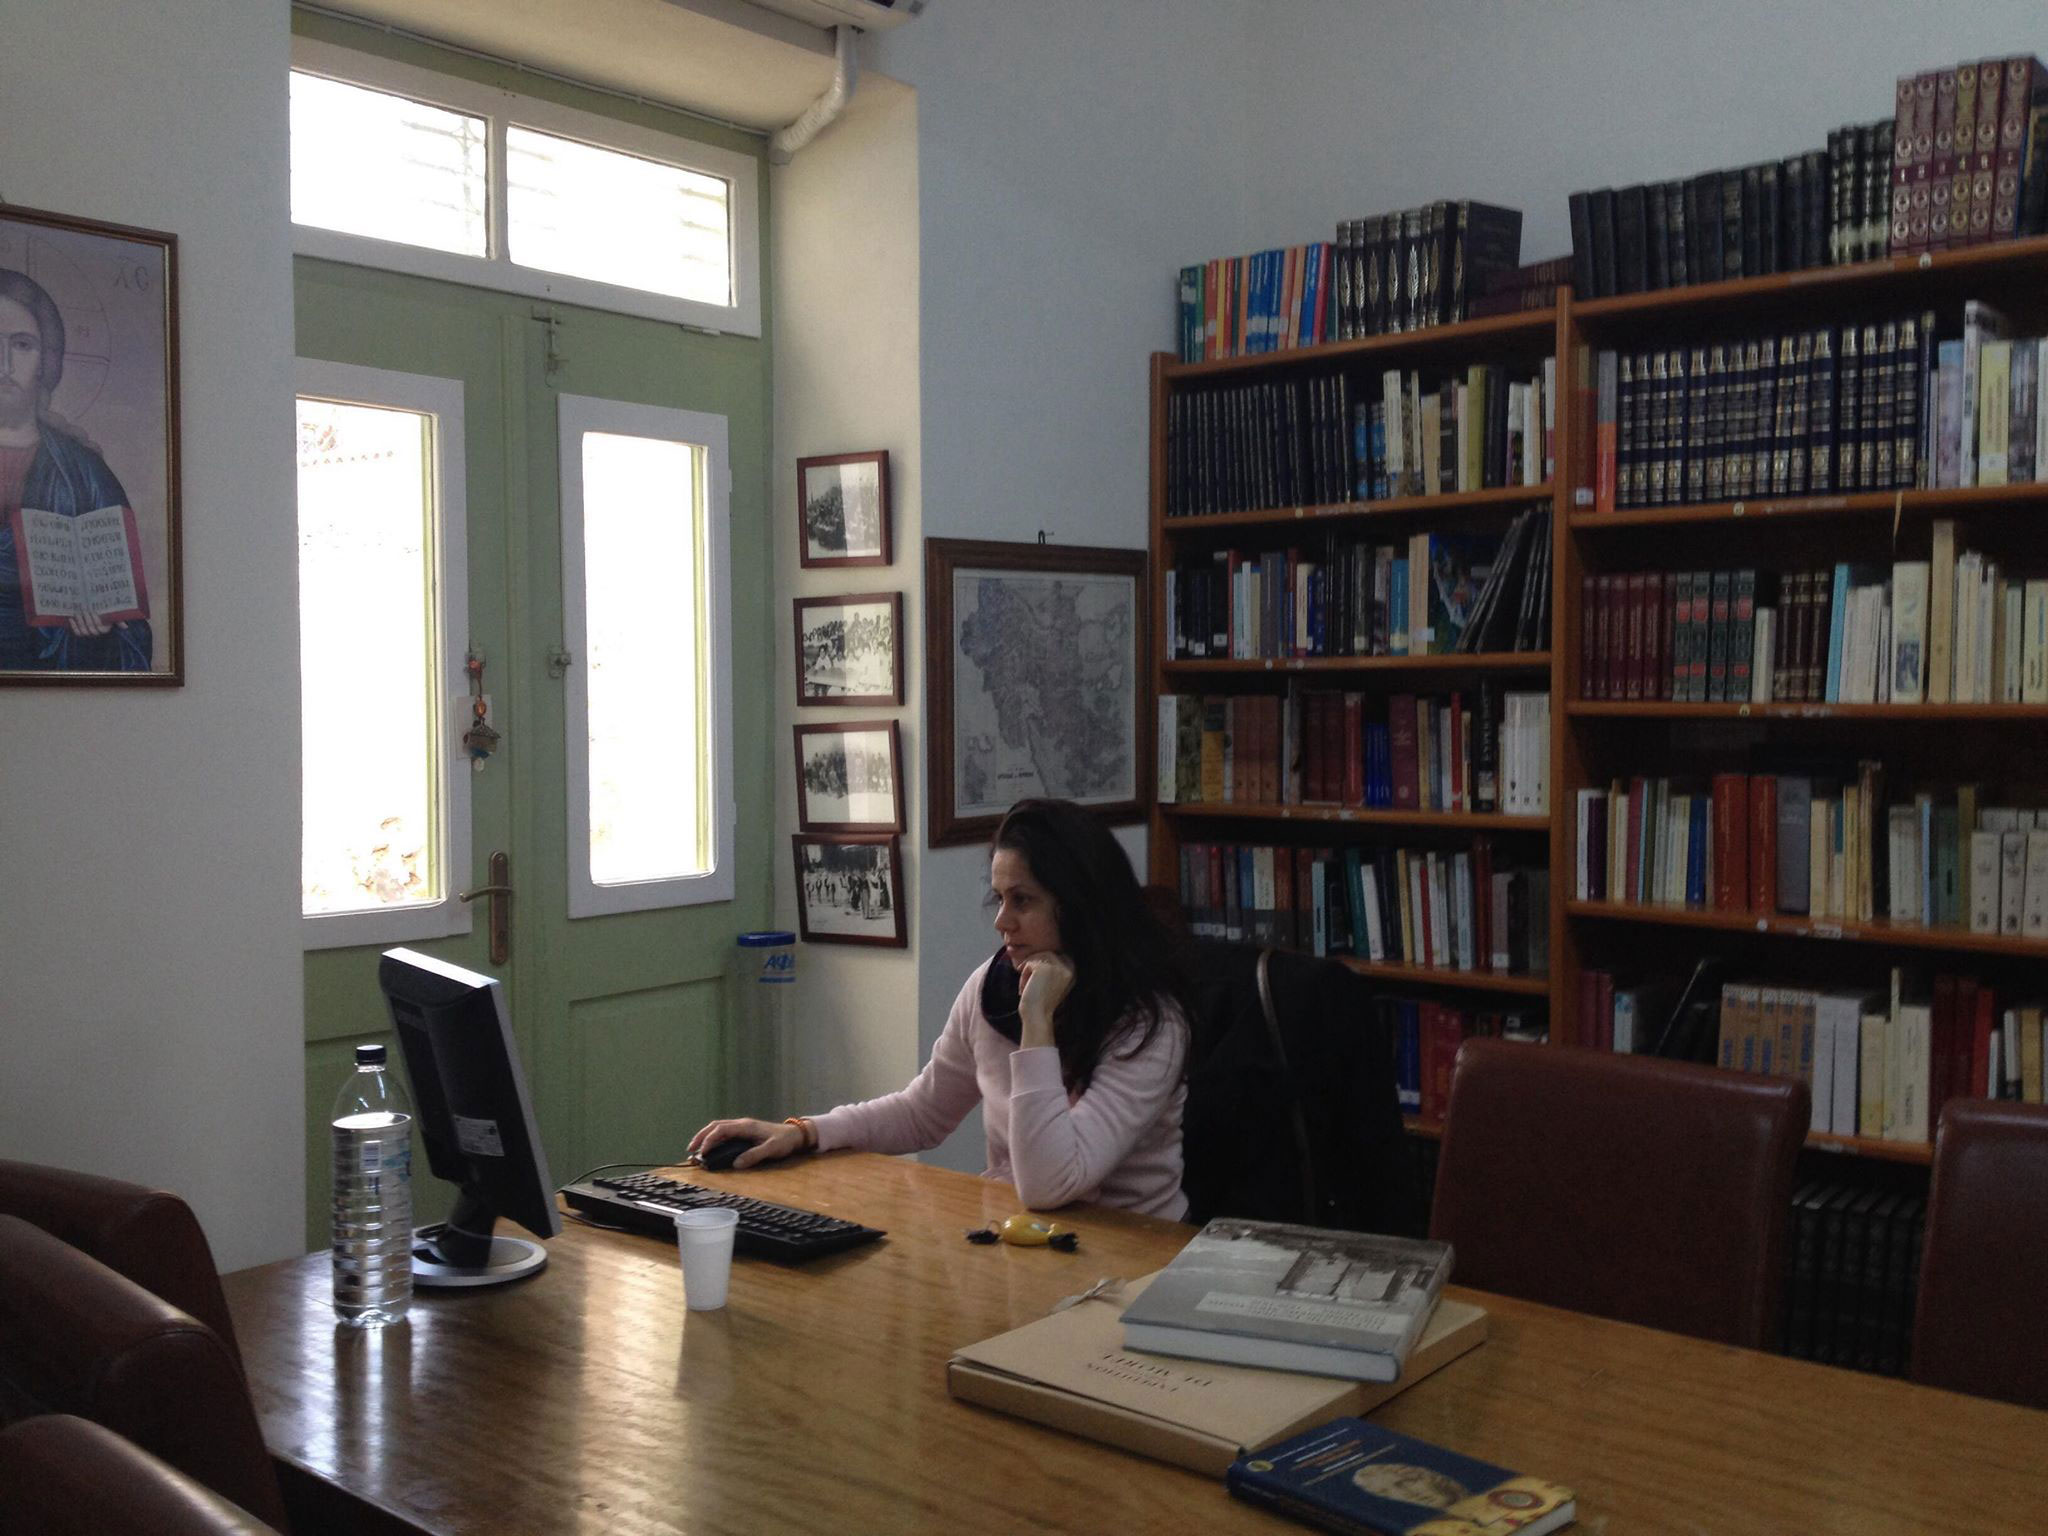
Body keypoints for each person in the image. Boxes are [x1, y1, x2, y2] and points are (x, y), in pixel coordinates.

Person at [689, 798, 1194, 1218]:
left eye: (1022, 901)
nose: (1001, 921)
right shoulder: (992, 987)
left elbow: (1049, 1184)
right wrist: (804, 1132)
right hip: (1022, 1240)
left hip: (1134, 1259)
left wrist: (1037, 1022)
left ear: (1079, 906)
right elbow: (922, 1113)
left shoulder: (1151, 1026)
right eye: (999, 898)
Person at [0, 267, 152, 671]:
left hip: (47, 675)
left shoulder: (83, 472)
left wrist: (97, 633)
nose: (4, 363)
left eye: (22, 345)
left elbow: (128, 626)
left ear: (46, 360)